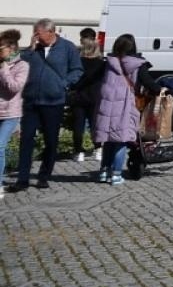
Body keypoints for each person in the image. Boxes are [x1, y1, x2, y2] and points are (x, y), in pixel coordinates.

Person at [10, 19, 83, 192]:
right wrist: (30, 48)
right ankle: (22, 179)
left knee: (51, 140)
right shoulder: (33, 49)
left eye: (38, 33)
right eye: (34, 33)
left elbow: (77, 70)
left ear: (51, 32)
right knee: (26, 139)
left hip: (53, 101)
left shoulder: (67, 47)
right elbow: (17, 63)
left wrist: (64, 83)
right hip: (31, 101)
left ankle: (44, 175)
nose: (35, 36)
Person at [94, 33, 161, 183]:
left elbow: (90, 77)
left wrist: (74, 86)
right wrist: (162, 90)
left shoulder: (108, 63)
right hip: (125, 107)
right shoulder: (138, 65)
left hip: (106, 108)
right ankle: (117, 174)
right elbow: (149, 82)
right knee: (121, 140)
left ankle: (104, 171)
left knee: (108, 140)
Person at [68, 28, 105, 161]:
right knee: (95, 124)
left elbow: (73, 79)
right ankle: (98, 150)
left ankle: (79, 152)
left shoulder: (78, 62)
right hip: (95, 97)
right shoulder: (102, 64)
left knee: (78, 125)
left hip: (79, 97)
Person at [0, 30, 27, 196]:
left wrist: (4, 69)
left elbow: (14, 88)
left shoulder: (22, 66)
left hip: (10, 113)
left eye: (1, 47)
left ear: (11, 48)